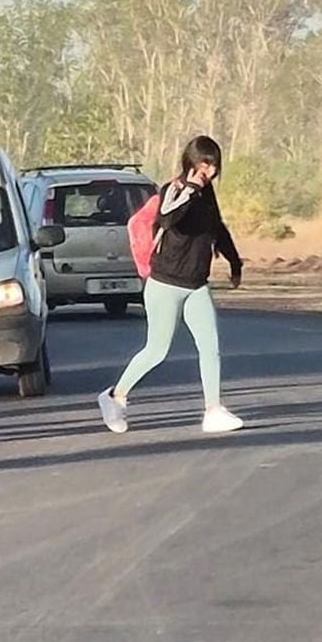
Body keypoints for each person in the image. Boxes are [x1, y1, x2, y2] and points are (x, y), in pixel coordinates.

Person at [97, 135, 244, 435]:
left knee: (210, 347)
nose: (209, 171)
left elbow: (217, 229)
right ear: (190, 163)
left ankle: (213, 410)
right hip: (165, 284)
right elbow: (167, 218)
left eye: (214, 165)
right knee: (157, 350)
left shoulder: (209, 197)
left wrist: (234, 262)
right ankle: (115, 397)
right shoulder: (174, 189)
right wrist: (190, 190)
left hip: (196, 285)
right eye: (204, 164)